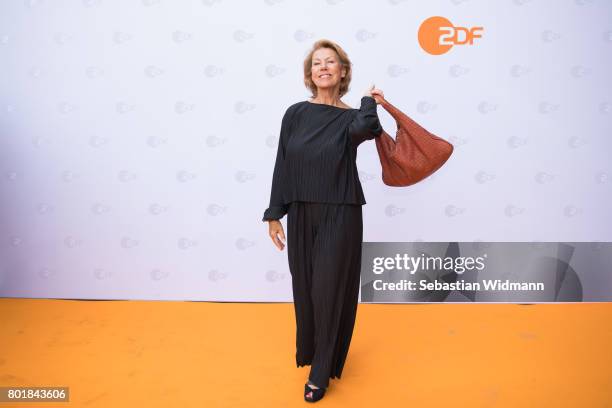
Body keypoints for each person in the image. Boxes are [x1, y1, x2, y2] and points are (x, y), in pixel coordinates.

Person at [262, 39, 383, 402]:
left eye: (332, 62)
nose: (324, 67)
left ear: (343, 71)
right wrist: (274, 213)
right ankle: (315, 353)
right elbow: (283, 162)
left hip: (340, 212)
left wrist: (367, 101)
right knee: (307, 289)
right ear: (309, 74)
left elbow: (368, 130)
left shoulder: (350, 118)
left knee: (329, 290)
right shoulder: (295, 113)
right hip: (300, 212)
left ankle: (320, 372)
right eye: (317, 63)